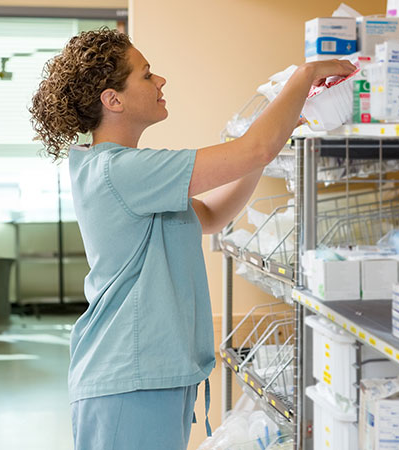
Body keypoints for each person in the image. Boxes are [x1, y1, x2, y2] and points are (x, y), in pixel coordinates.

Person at [29, 27, 355, 450]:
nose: (160, 81)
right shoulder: (120, 171)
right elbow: (252, 149)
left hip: (152, 375)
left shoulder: (120, 172)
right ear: (114, 100)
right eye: (146, 75)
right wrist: (304, 76)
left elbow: (211, 214)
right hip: (129, 378)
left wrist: (280, 129)